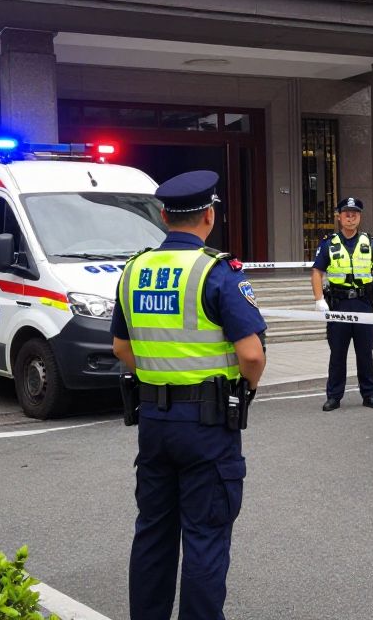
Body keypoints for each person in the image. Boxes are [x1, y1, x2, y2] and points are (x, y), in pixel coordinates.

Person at [111, 170, 266, 620]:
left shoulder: (134, 269)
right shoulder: (216, 272)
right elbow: (251, 355)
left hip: (154, 423)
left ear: (163, 217)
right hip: (207, 424)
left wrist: (162, 376)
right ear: (209, 217)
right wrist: (246, 390)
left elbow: (121, 347)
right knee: (205, 535)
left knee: (153, 533)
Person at [311, 196, 373, 412]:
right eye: (346, 213)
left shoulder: (370, 242)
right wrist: (319, 299)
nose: (350, 217)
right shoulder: (329, 243)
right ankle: (334, 396)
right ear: (339, 216)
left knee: (365, 352)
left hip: (364, 304)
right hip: (339, 304)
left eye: (354, 213)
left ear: (359, 217)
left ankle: (370, 394)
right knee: (338, 353)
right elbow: (317, 272)